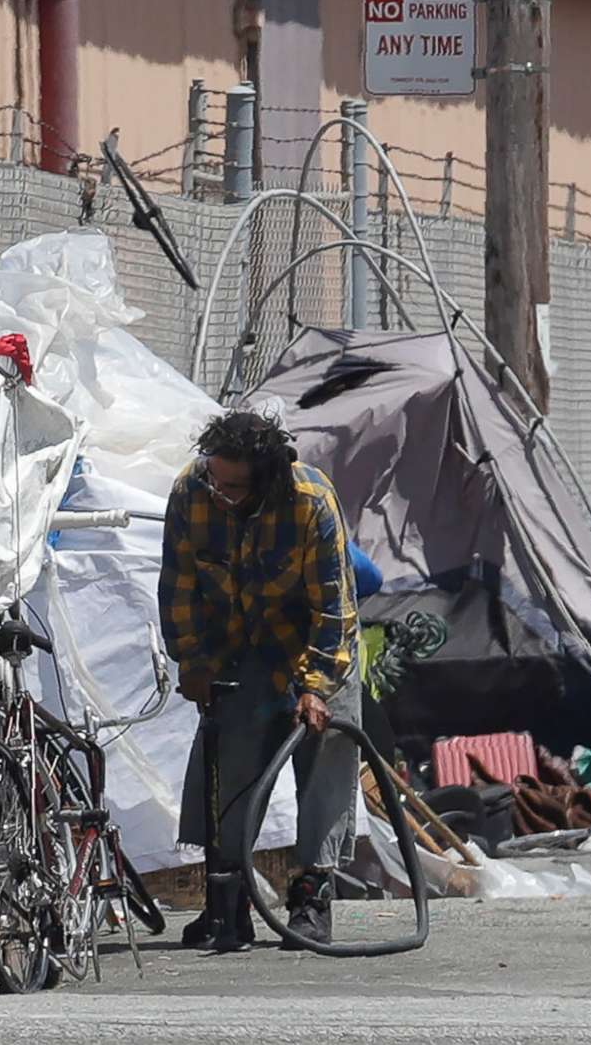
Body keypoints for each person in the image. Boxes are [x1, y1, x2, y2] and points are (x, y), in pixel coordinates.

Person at [159, 408, 360, 951]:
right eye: (215, 479)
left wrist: (316, 687)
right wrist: (191, 661)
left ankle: (311, 898)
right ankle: (228, 901)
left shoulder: (311, 503)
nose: (219, 492)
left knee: (325, 760)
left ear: (267, 479)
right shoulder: (191, 492)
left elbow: (334, 610)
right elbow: (178, 587)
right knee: (229, 767)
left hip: (315, 646)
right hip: (237, 649)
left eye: (234, 487)